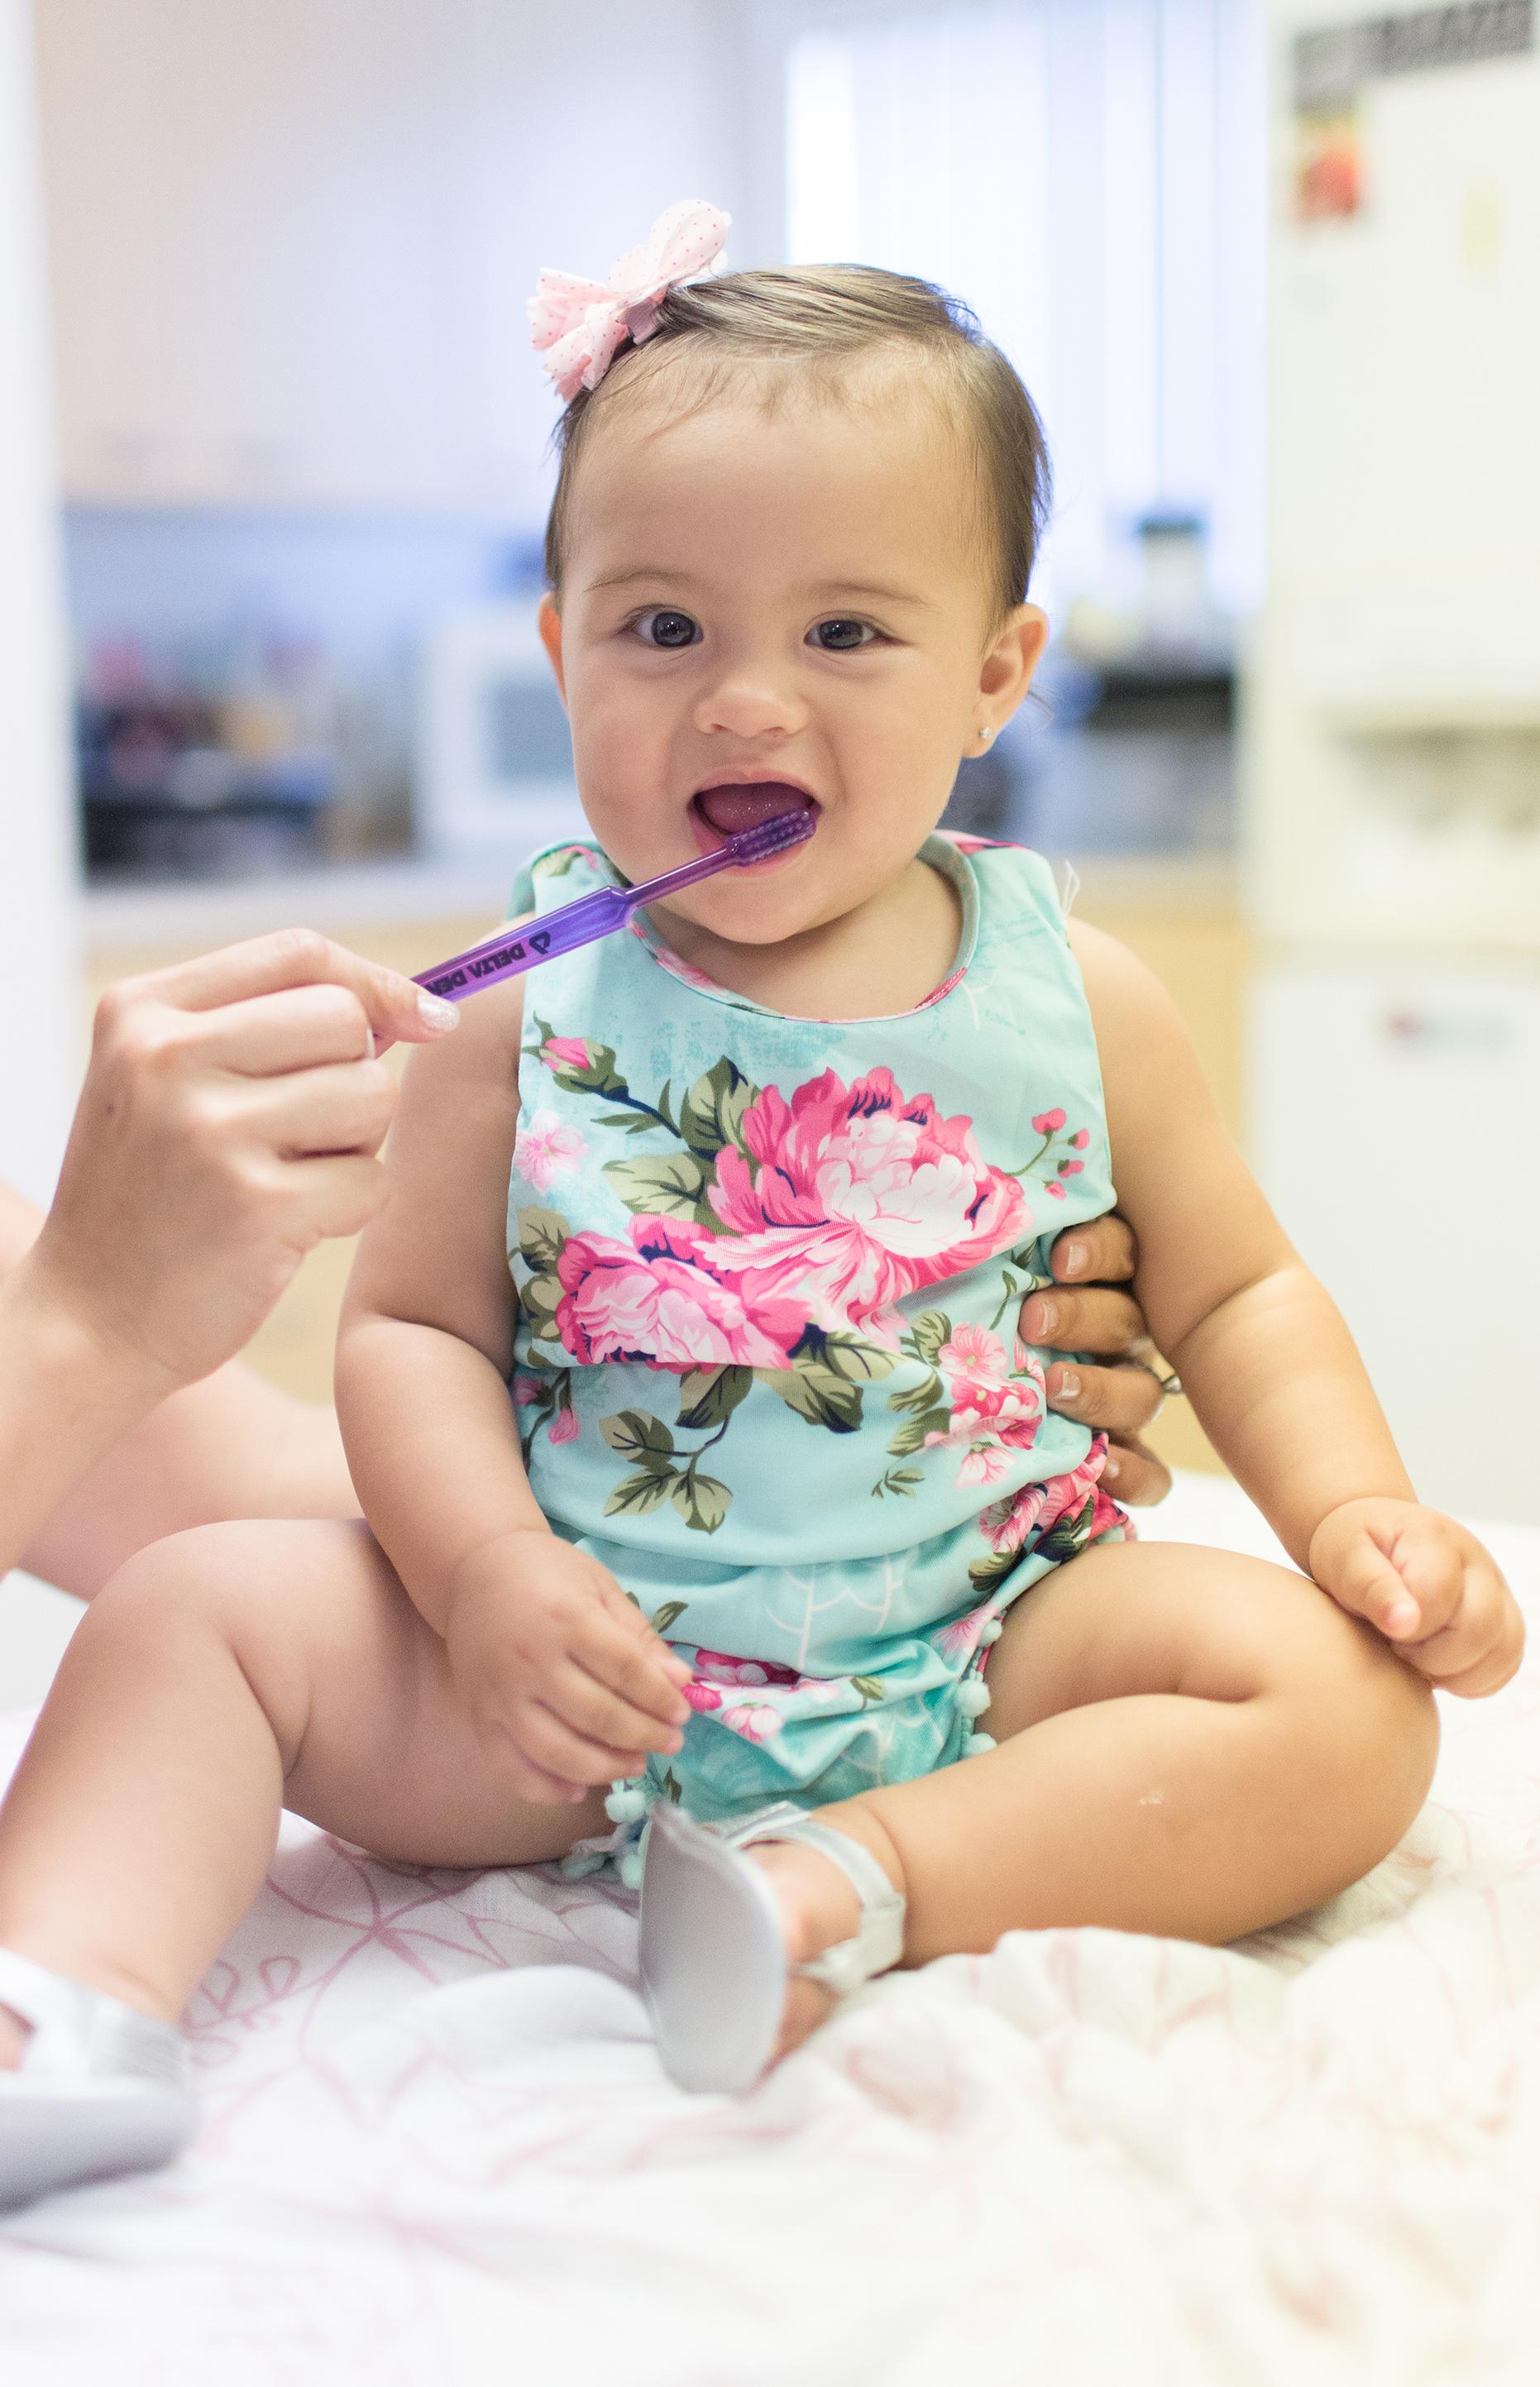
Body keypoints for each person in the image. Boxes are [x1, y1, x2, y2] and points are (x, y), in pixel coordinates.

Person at [1, 208, 1521, 2195]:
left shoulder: (1082, 990)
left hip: (985, 1641)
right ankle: (63, 1995)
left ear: (994, 676)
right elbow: (413, 1336)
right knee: (194, 1607)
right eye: (661, 630)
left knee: (1341, 1704)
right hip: (560, 1679)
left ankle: (851, 1878)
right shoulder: (519, 1006)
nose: (740, 701)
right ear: (560, 652)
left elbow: (1233, 1299)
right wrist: (479, 1588)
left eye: (844, 634)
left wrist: (1356, 1514)